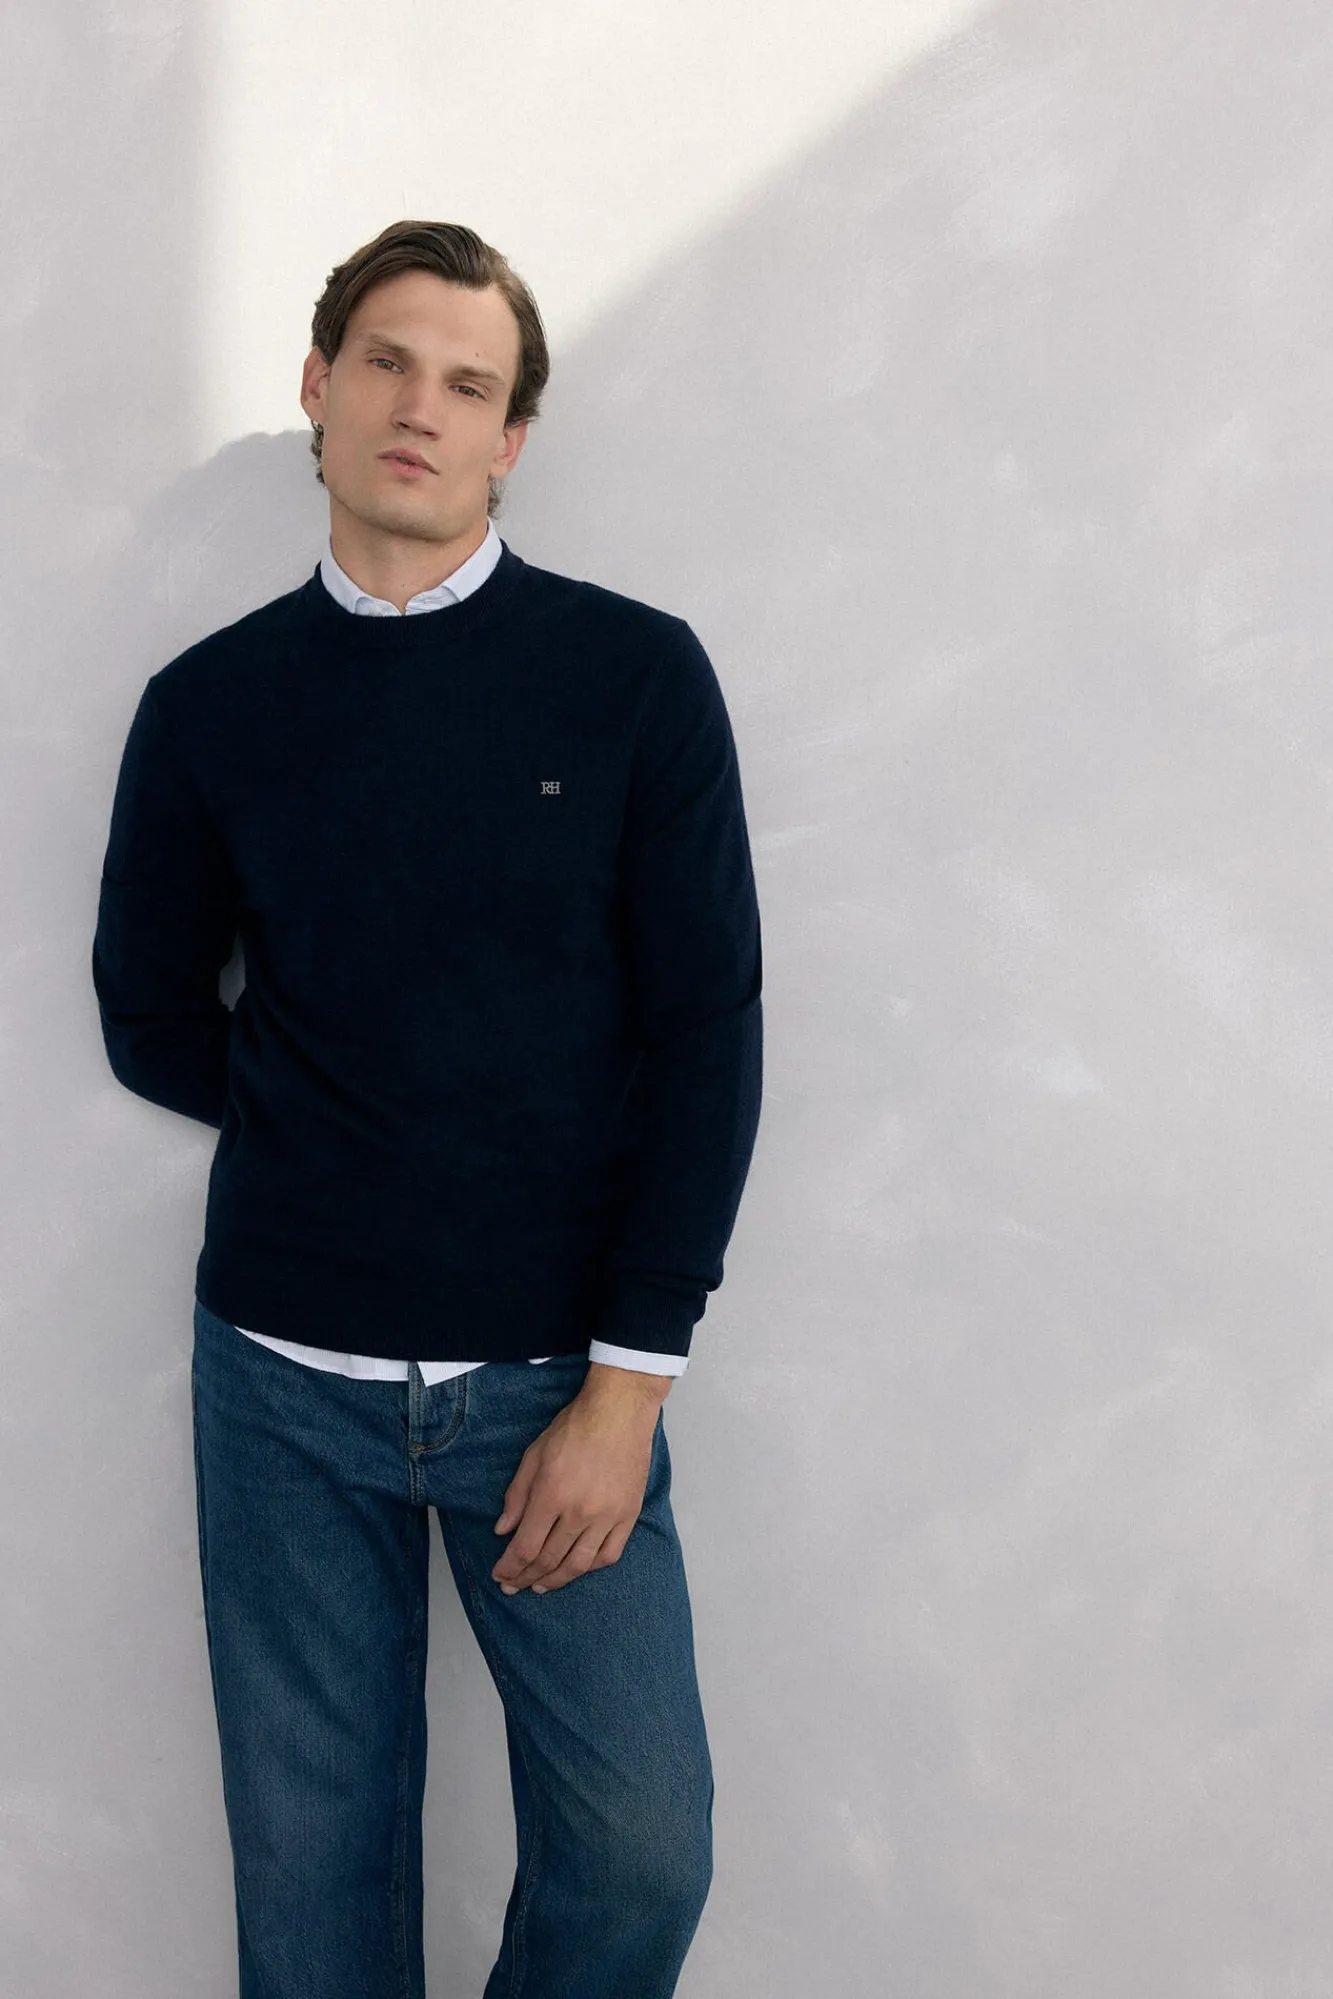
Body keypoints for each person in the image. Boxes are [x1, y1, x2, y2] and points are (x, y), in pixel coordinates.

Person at [90, 218, 764, 1999]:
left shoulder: (633, 679)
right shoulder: (212, 705)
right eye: (386, 362)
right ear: (318, 387)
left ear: (511, 438)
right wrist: (345, 1122)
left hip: (558, 1378)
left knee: (640, 1847)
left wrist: (629, 1385)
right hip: (279, 1385)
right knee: (311, 1882)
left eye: (469, 385)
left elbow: (708, 1036)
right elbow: (148, 1015)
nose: (419, 408)